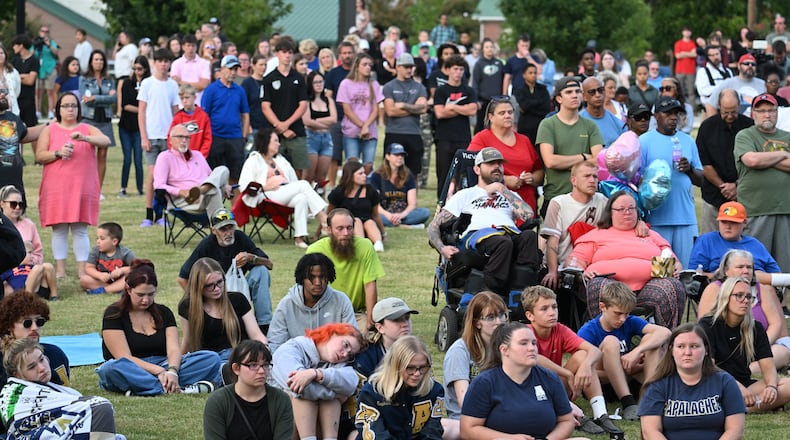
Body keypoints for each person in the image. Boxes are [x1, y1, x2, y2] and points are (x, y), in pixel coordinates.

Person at [96, 259, 221, 395]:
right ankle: (172, 388)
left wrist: (172, 372)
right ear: (128, 289)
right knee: (109, 369)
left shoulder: (164, 312)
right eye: (140, 295)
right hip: (132, 367)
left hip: (164, 364)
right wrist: (159, 371)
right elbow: (124, 357)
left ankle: (147, 388)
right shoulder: (113, 314)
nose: (146, 300)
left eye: (151, 294)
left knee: (211, 358)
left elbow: (173, 349)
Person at [428, 147, 540, 296]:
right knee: (503, 242)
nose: (496, 167)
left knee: (529, 237)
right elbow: (433, 226)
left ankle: (524, 291)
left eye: (499, 163)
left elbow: (528, 215)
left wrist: (502, 189)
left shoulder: (509, 195)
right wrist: (442, 248)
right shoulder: (465, 194)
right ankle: (490, 292)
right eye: (490, 163)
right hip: (479, 237)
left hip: (508, 234)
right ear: (477, 169)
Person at [569, 190, 686, 328]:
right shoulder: (596, 235)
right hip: (611, 288)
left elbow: (674, 262)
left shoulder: (651, 235)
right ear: (610, 213)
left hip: (648, 288)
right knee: (597, 286)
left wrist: (675, 269)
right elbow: (575, 263)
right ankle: (606, 341)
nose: (627, 212)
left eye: (631, 208)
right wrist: (583, 272)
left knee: (672, 286)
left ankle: (664, 341)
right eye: (621, 209)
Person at [521, 286, 622, 435]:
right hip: (532, 391)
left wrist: (586, 366)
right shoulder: (524, 332)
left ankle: (600, 414)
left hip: (557, 386)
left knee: (583, 356)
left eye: (554, 307)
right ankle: (575, 414)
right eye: (544, 309)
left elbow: (594, 351)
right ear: (530, 315)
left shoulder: (560, 329)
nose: (552, 312)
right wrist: (568, 374)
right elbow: (535, 358)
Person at [460, 322, 583, 440]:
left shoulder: (550, 378)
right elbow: (467, 429)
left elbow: (566, 420)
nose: (531, 348)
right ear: (504, 350)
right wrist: (510, 438)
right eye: (523, 343)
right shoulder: (485, 383)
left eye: (534, 343)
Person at [35, 92, 110, 279]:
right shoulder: (50, 129)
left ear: (79, 109)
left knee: (80, 229)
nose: (70, 109)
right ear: (58, 109)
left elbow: (106, 141)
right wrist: (58, 153)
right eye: (66, 106)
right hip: (56, 187)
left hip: (82, 186)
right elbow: (40, 155)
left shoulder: (87, 128)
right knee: (59, 229)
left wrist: (85, 139)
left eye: (74, 106)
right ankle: (60, 269)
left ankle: (82, 269)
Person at [577, 281, 672, 421]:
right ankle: (628, 402)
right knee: (611, 342)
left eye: (627, 314)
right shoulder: (588, 330)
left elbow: (665, 332)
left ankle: (649, 399)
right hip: (603, 385)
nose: (622, 319)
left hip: (630, 380)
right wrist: (622, 369)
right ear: (602, 307)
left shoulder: (630, 321)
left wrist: (637, 351)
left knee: (651, 341)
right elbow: (583, 372)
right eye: (618, 313)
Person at [638, 323, 746, 439]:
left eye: (694, 346)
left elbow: (735, 430)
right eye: (680, 346)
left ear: (706, 350)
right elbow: (650, 431)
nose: (687, 352)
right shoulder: (657, 385)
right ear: (671, 351)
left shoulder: (725, 382)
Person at [699, 277, 790, 412]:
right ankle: (753, 406)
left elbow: (768, 367)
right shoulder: (708, 325)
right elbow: (709, 368)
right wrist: (737, 388)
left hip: (745, 385)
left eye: (749, 297)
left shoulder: (755, 328)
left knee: (787, 384)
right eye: (739, 296)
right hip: (715, 384)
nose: (745, 300)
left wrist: (771, 386)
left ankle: (742, 407)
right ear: (725, 297)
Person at [0, 339, 122, 439]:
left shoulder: (52, 386)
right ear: (17, 375)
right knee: (100, 407)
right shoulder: (14, 394)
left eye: (42, 359)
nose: (42, 368)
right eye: (32, 367)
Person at [177, 209, 274, 333]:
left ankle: (264, 325)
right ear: (214, 231)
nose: (228, 233)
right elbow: (182, 278)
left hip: (240, 291)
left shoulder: (241, 238)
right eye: (223, 229)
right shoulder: (206, 245)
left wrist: (251, 258)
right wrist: (201, 300)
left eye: (230, 227)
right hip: (215, 292)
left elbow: (269, 264)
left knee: (261, 271)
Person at [696, 250, 790, 373]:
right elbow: (705, 327)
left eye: (749, 267)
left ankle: (750, 370)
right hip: (724, 349)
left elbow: (776, 323)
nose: (745, 271)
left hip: (760, 347)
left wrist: (760, 346)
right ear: (726, 270)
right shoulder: (714, 289)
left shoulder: (762, 289)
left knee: (782, 351)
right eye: (740, 267)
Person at [270, 323, 364, 440]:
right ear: (332, 333)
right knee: (303, 396)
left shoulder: (337, 364)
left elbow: (351, 382)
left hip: (315, 426)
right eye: (345, 345)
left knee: (330, 400)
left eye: (349, 355)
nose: (344, 354)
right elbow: (298, 387)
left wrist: (317, 374)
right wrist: (339, 393)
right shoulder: (292, 348)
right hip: (276, 418)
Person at [639, 96, 703, 268]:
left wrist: (689, 169)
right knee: (662, 272)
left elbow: (701, 180)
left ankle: (686, 296)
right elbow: (637, 179)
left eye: (676, 113)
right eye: (668, 113)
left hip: (686, 218)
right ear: (656, 116)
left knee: (688, 271)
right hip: (658, 219)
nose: (673, 117)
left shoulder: (687, 140)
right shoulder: (644, 141)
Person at [238, 128, 327, 248]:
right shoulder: (254, 160)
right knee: (304, 184)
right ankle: (324, 219)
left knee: (301, 198)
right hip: (266, 196)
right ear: (266, 142)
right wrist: (265, 187)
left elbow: (294, 181)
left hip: (285, 193)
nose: (279, 144)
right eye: (275, 141)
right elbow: (244, 184)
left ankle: (299, 238)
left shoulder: (280, 160)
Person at [734, 93, 790, 276]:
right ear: (753, 114)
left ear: (777, 113)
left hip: (785, 209)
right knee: (754, 265)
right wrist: (783, 155)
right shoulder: (745, 135)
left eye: (771, 110)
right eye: (762, 111)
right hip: (755, 209)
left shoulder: (786, 136)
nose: (767, 115)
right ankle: (755, 303)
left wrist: (764, 158)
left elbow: (758, 158)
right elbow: (751, 160)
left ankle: (780, 304)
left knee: (783, 267)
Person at [306, 208, 385, 330]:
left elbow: (370, 285)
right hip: (323, 313)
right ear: (329, 230)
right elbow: (309, 289)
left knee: (367, 338)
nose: (346, 233)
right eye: (340, 228)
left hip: (356, 314)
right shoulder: (315, 250)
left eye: (349, 228)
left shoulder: (366, 246)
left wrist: (371, 321)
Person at [537, 76, 604, 217]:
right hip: (556, 196)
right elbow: (550, 161)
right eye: (569, 92)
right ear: (559, 99)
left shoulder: (590, 125)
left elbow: (599, 160)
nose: (575, 95)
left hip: (587, 198)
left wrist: (566, 163)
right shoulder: (548, 125)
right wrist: (584, 157)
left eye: (578, 91)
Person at [179, 257, 268, 361]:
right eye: (209, 285)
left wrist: (265, 349)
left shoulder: (238, 300)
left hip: (238, 356)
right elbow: (187, 342)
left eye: (220, 282)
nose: (216, 288)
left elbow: (256, 334)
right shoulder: (187, 306)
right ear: (198, 286)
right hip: (210, 360)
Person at [356, 335, 444, 440]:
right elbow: (376, 436)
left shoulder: (434, 391)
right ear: (395, 366)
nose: (417, 373)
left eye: (422, 367)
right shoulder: (371, 393)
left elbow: (432, 433)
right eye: (410, 368)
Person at [539, 161, 611, 289]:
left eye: (595, 177)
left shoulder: (602, 200)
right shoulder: (559, 203)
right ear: (574, 180)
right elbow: (552, 242)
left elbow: (622, 216)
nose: (592, 180)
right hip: (562, 266)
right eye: (586, 176)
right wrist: (552, 272)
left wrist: (639, 223)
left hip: (589, 265)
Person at [443, 291, 507, 435]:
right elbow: (465, 402)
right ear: (477, 322)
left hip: (501, 415)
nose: (499, 322)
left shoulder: (506, 348)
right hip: (467, 420)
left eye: (502, 314)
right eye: (491, 317)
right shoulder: (460, 351)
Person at [203, 340, 294, 439]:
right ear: (236, 368)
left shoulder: (281, 400)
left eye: (265, 365)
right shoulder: (218, 401)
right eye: (253, 365)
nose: (261, 371)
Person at [267, 254, 355, 353]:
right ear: (302, 279)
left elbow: (351, 339)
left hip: (335, 362)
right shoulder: (286, 305)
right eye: (311, 277)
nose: (317, 282)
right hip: (295, 362)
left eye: (322, 277)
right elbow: (275, 345)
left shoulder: (341, 301)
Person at [468, 99, 543, 214]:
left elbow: (539, 171)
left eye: (510, 112)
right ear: (490, 117)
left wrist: (531, 178)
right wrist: (504, 180)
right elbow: (471, 169)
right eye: (502, 113)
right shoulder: (481, 139)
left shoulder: (524, 140)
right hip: (494, 203)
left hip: (525, 204)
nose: (508, 116)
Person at [695, 89, 754, 234]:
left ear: (739, 105)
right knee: (712, 241)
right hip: (714, 195)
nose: (729, 116)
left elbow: (754, 163)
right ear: (719, 106)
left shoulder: (750, 126)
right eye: (725, 112)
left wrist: (736, 186)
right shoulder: (707, 127)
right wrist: (723, 187)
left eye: (733, 111)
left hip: (744, 194)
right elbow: (705, 163)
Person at [138, 48, 179, 227]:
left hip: (168, 137)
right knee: (153, 176)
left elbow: (176, 112)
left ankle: (162, 213)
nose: (163, 64)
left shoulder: (172, 85)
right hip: (152, 136)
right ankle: (149, 214)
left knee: (166, 179)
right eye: (160, 61)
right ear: (155, 62)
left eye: (166, 61)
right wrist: (144, 137)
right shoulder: (147, 83)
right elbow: (141, 111)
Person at [154, 123, 229, 218]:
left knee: (222, 169)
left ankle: (201, 190)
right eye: (180, 137)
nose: (184, 140)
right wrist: (181, 192)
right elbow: (158, 185)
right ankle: (223, 228)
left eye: (187, 137)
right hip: (184, 201)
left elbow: (213, 177)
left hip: (204, 196)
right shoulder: (165, 157)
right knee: (213, 190)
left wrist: (225, 185)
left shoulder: (198, 155)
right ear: (171, 139)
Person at [0, 291, 70, 386]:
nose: (35, 328)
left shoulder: (55, 355)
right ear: (9, 326)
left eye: (39, 322)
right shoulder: (2, 364)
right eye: (27, 323)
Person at [262, 37, 309, 178]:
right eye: (284, 52)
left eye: (290, 52)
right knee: (274, 168)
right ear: (277, 54)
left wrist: (286, 125)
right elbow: (265, 106)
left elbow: (303, 105)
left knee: (298, 170)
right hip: (274, 132)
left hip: (296, 131)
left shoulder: (299, 78)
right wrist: (279, 126)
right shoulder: (269, 78)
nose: (287, 55)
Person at [0, 185, 56, 300]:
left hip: (31, 269)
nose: (17, 208)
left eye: (21, 204)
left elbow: (38, 252)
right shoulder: (2, 227)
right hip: (9, 271)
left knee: (44, 267)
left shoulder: (29, 225)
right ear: (2, 204)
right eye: (13, 204)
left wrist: (31, 261)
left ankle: (51, 295)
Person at [202, 55, 251, 188]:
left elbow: (245, 114)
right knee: (214, 175)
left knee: (235, 176)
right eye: (230, 69)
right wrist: (206, 137)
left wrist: (244, 136)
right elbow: (204, 115)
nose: (233, 72)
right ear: (222, 69)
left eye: (235, 69)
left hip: (235, 137)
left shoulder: (239, 90)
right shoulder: (211, 90)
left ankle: (235, 208)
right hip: (215, 136)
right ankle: (216, 206)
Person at [433, 54, 478, 194]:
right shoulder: (441, 91)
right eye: (455, 69)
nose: (458, 72)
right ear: (448, 70)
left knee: (463, 175)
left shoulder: (469, 91)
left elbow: (473, 110)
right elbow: (439, 113)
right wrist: (462, 109)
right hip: (444, 138)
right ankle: (441, 207)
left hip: (463, 137)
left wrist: (452, 107)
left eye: (461, 69)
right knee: (444, 174)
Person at [381, 53, 429, 178]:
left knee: (413, 173)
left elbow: (423, 108)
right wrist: (414, 108)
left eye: (411, 67)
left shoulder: (419, 87)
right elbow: (390, 111)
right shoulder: (389, 87)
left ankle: (412, 197)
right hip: (394, 132)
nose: (409, 70)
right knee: (391, 171)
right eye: (406, 67)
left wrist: (402, 105)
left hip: (414, 133)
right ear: (398, 67)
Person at [336, 53, 384, 175]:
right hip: (351, 131)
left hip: (370, 132)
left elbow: (375, 110)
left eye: (370, 65)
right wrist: (362, 126)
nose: (368, 67)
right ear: (357, 66)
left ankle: (366, 192)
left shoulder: (374, 85)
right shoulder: (346, 84)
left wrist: (366, 127)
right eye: (364, 64)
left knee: (368, 165)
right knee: (352, 164)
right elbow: (347, 110)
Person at [80, 49, 116, 198]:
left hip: (105, 120)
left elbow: (113, 99)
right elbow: (86, 101)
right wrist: (103, 98)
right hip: (89, 119)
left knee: (102, 155)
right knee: (88, 156)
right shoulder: (84, 80)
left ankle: (98, 190)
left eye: (101, 60)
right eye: (96, 60)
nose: (99, 62)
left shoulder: (109, 80)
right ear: (91, 62)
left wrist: (95, 97)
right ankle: (87, 188)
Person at [328, 160, 386, 250]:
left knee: (369, 222)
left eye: (364, 173)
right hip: (348, 228)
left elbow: (375, 215)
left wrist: (383, 233)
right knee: (356, 221)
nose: (364, 176)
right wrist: (318, 232)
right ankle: (361, 245)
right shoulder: (339, 192)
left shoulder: (370, 190)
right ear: (350, 176)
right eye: (360, 173)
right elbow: (329, 214)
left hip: (368, 224)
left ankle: (378, 243)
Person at [369, 143, 430, 228]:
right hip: (384, 213)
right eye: (396, 155)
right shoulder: (377, 176)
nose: (400, 157)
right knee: (373, 216)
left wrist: (401, 215)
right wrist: (389, 216)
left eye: (402, 155)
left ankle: (395, 223)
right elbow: (375, 204)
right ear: (387, 156)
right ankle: (404, 226)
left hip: (403, 213)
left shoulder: (408, 175)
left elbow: (412, 204)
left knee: (425, 213)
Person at [117, 56, 148, 197]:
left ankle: (140, 188)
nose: (137, 71)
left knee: (138, 159)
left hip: (139, 127)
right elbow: (125, 105)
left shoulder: (149, 84)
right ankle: (123, 187)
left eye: (140, 69)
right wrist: (142, 110)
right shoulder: (127, 83)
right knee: (127, 158)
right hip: (126, 125)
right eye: (135, 68)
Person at [79, 222, 135, 294]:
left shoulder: (125, 253)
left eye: (102, 239)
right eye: (97, 238)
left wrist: (122, 270)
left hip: (121, 280)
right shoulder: (96, 251)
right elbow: (89, 267)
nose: (98, 241)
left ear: (114, 241)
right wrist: (99, 275)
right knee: (84, 280)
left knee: (131, 277)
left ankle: (105, 290)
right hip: (103, 281)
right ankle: (116, 289)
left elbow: (137, 267)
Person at [302, 70, 336, 186]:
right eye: (315, 82)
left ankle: (320, 201)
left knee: (321, 177)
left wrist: (315, 120)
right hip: (311, 138)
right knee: (308, 176)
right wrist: (324, 123)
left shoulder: (328, 100)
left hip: (326, 139)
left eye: (321, 81)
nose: (319, 84)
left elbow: (334, 119)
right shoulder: (307, 101)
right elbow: (306, 121)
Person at [580, 76, 626, 147]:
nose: (597, 95)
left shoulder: (616, 122)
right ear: (584, 96)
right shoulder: (578, 120)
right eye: (592, 92)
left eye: (600, 90)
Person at [170, 83, 212, 159]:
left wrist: (201, 156)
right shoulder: (177, 117)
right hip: (181, 157)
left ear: (195, 97)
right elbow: (171, 138)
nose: (184, 101)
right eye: (182, 98)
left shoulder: (203, 116)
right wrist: (178, 155)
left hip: (199, 157)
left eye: (187, 98)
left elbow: (207, 139)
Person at [514, 63, 552, 145]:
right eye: (530, 73)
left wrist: (529, 106)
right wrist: (538, 102)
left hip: (540, 126)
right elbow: (523, 106)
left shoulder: (543, 89)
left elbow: (546, 108)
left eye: (535, 73)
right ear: (524, 75)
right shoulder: (519, 91)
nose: (533, 75)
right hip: (525, 127)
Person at [171, 34, 211, 103]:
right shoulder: (176, 64)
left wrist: (181, 82)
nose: (191, 48)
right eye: (188, 45)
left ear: (196, 47)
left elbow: (204, 84)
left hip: (199, 103)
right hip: (181, 104)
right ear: (183, 47)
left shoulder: (204, 63)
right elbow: (174, 84)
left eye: (193, 46)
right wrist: (197, 86)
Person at [696, 45, 733, 118]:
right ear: (707, 57)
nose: (715, 57)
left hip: (728, 112)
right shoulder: (702, 72)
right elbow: (704, 91)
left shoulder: (728, 71)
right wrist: (724, 85)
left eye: (717, 54)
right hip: (709, 111)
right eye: (712, 55)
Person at [10, 34, 39, 127]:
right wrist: (23, 76)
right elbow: (10, 78)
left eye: (15, 44)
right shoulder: (15, 61)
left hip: (28, 99)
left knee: (32, 127)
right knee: (16, 128)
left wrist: (17, 77)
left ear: (21, 45)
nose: (13, 47)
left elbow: (30, 80)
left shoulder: (34, 60)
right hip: (15, 99)